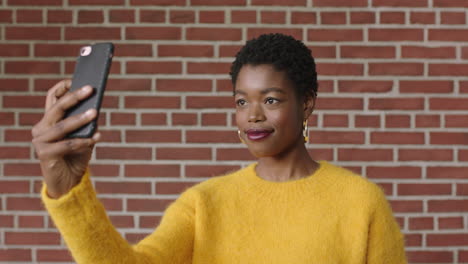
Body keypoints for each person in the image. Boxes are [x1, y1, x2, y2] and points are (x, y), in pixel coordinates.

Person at [32, 33, 407, 263]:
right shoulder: (204, 204)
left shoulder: (360, 203)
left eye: (272, 100)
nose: (253, 117)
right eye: (242, 102)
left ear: (306, 103)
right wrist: (69, 191)